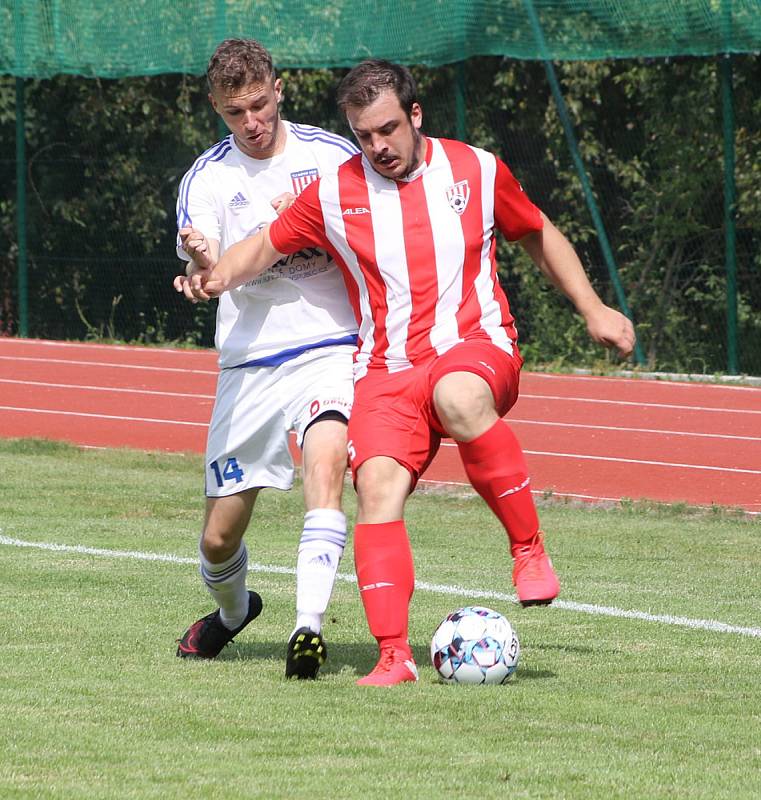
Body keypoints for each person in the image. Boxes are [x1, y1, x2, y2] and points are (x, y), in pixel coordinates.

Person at [192, 60, 636, 686]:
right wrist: (210, 277)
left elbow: (536, 232)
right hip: (384, 370)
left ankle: (528, 550)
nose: (378, 147)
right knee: (373, 486)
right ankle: (394, 657)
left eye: (388, 129)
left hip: (474, 346)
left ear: (415, 115)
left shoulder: (476, 169)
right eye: (364, 134)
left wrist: (593, 309)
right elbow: (260, 248)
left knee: (457, 396)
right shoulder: (333, 192)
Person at [172, 39, 360, 680]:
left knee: (326, 464)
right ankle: (231, 614)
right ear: (216, 110)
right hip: (250, 362)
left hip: (332, 344)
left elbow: (371, 235)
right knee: (219, 539)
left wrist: (306, 221)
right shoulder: (208, 179)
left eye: (258, 104)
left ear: (280, 88)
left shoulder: (332, 156)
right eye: (234, 113)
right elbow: (213, 266)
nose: (251, 123)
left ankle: (307, 631)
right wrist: (200, 263)